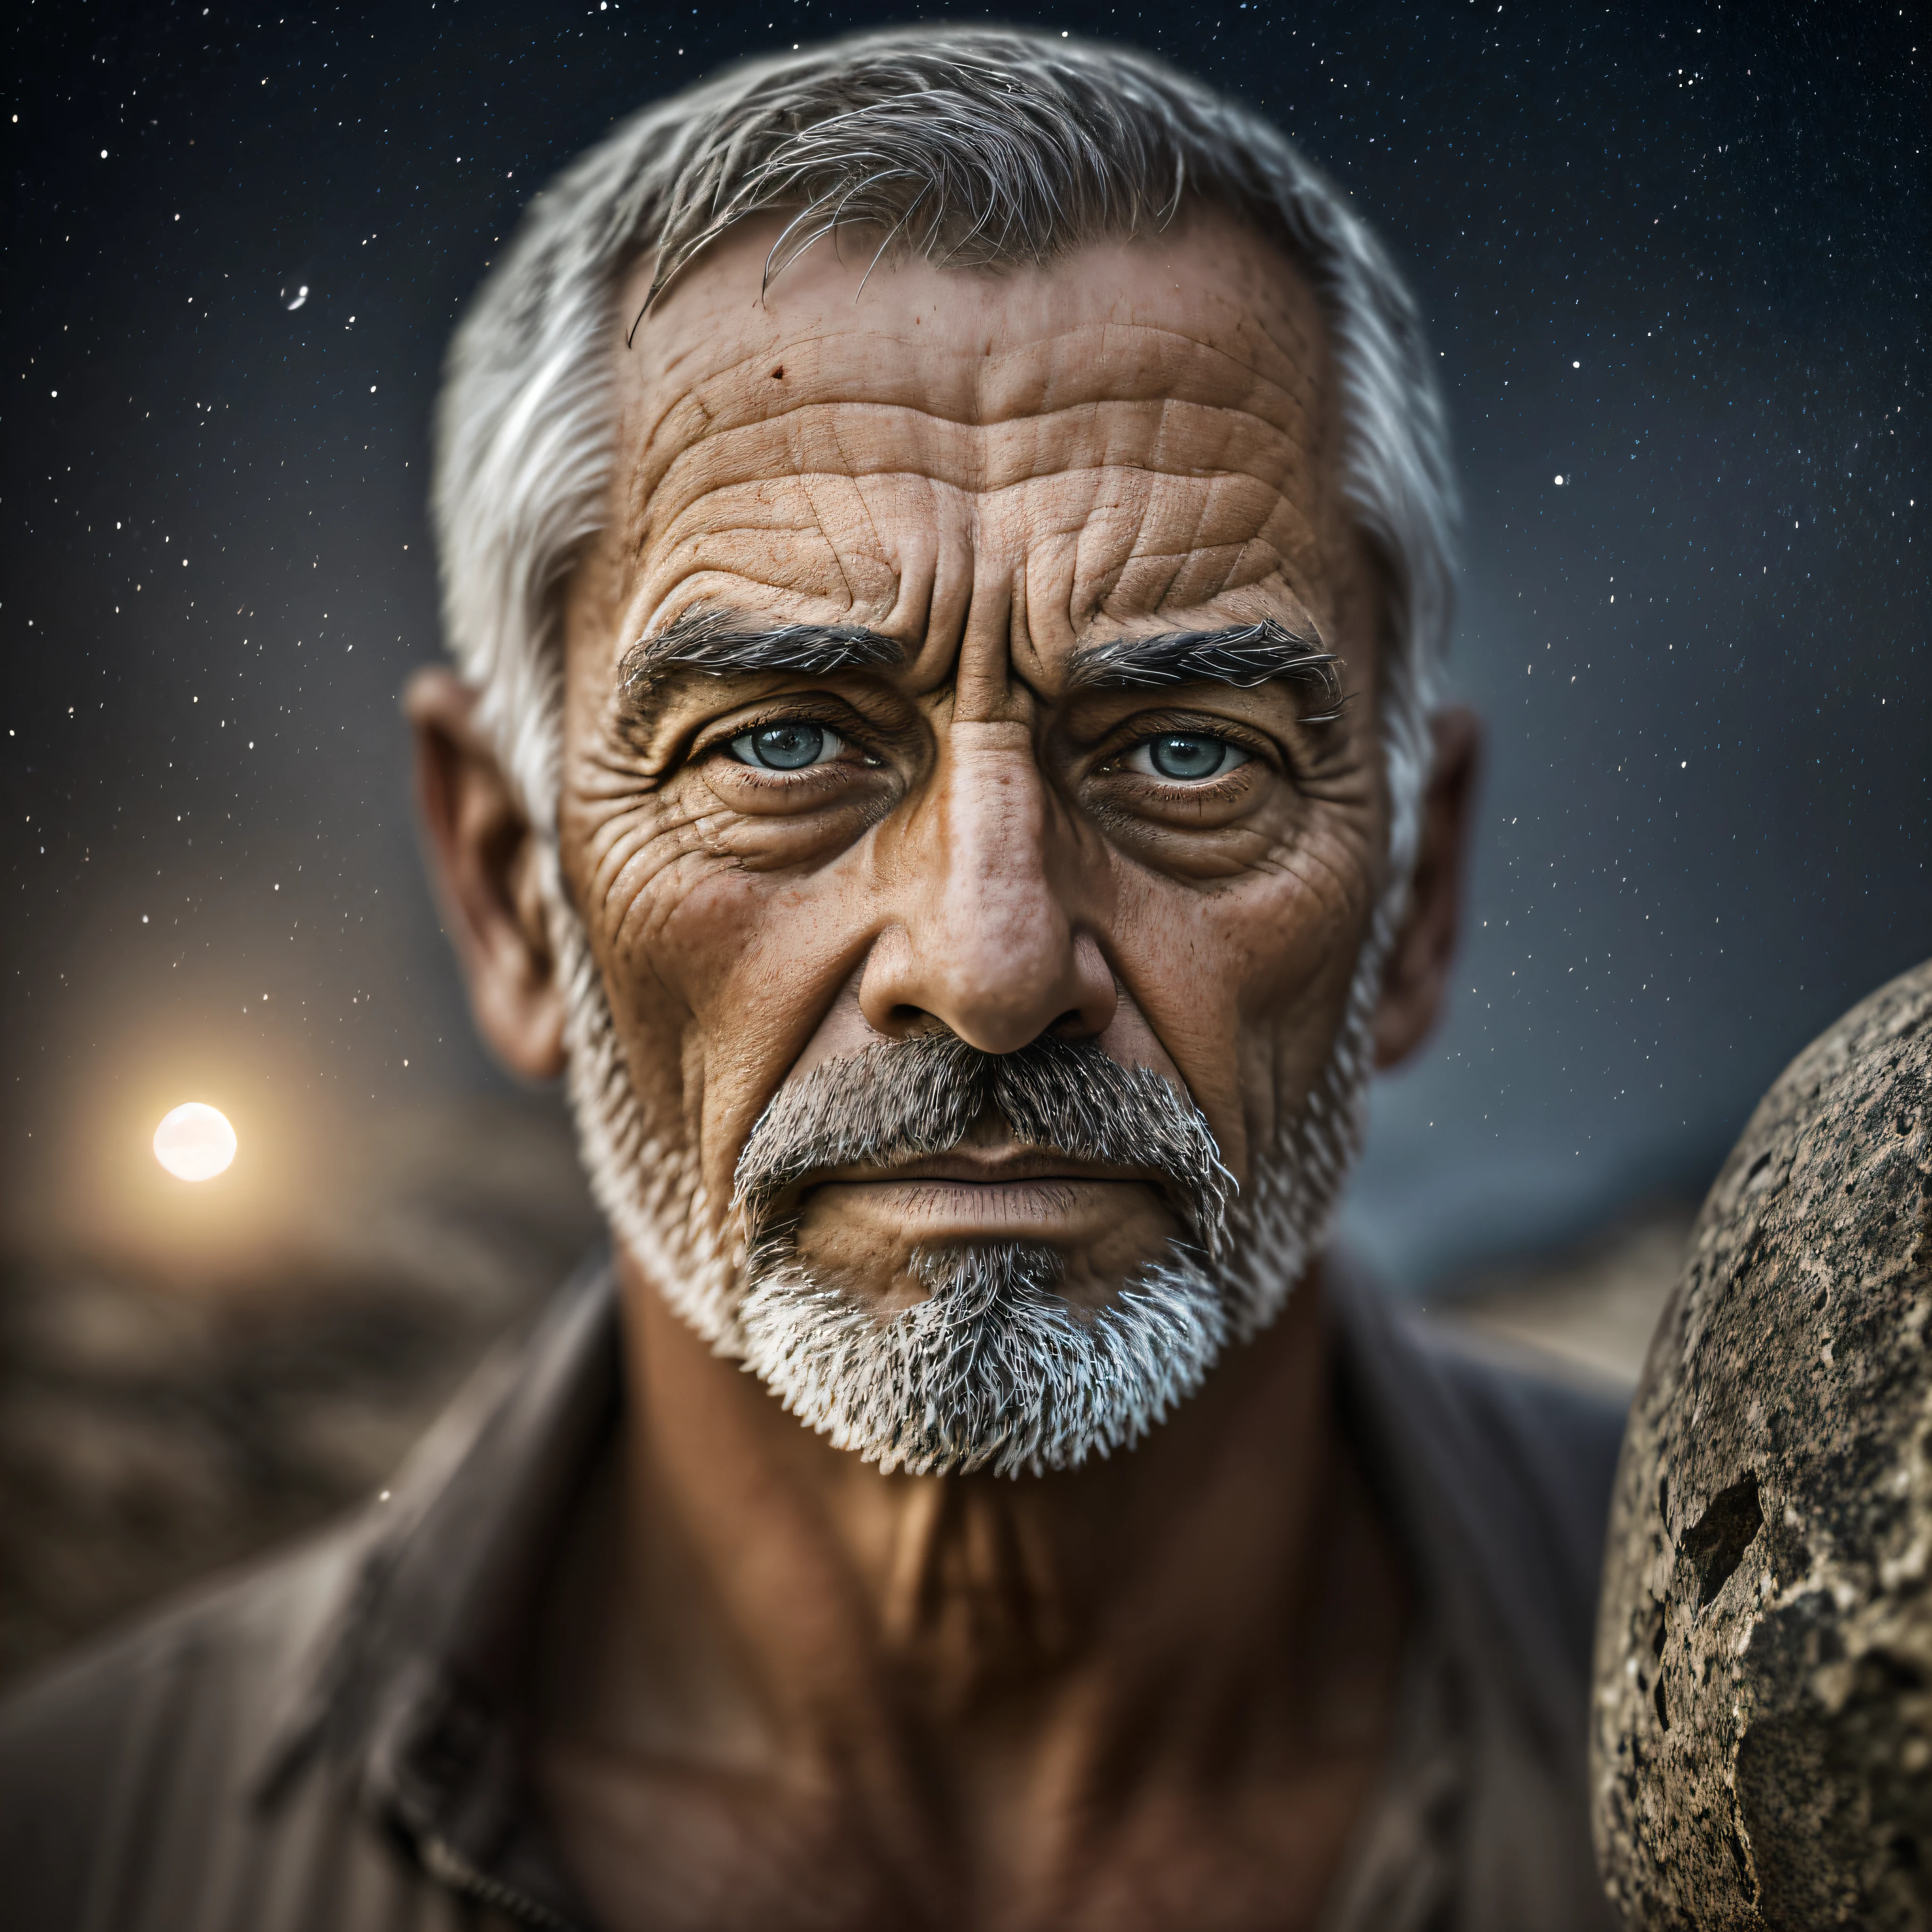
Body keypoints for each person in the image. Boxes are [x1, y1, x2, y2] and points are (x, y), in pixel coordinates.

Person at [0, 28, 1625, 1931]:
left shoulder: (1857, 1721)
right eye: (779, 741)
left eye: (1186, 749)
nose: (990, 959)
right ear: (513, 886)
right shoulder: (80, 1852)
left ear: (1415, 895)